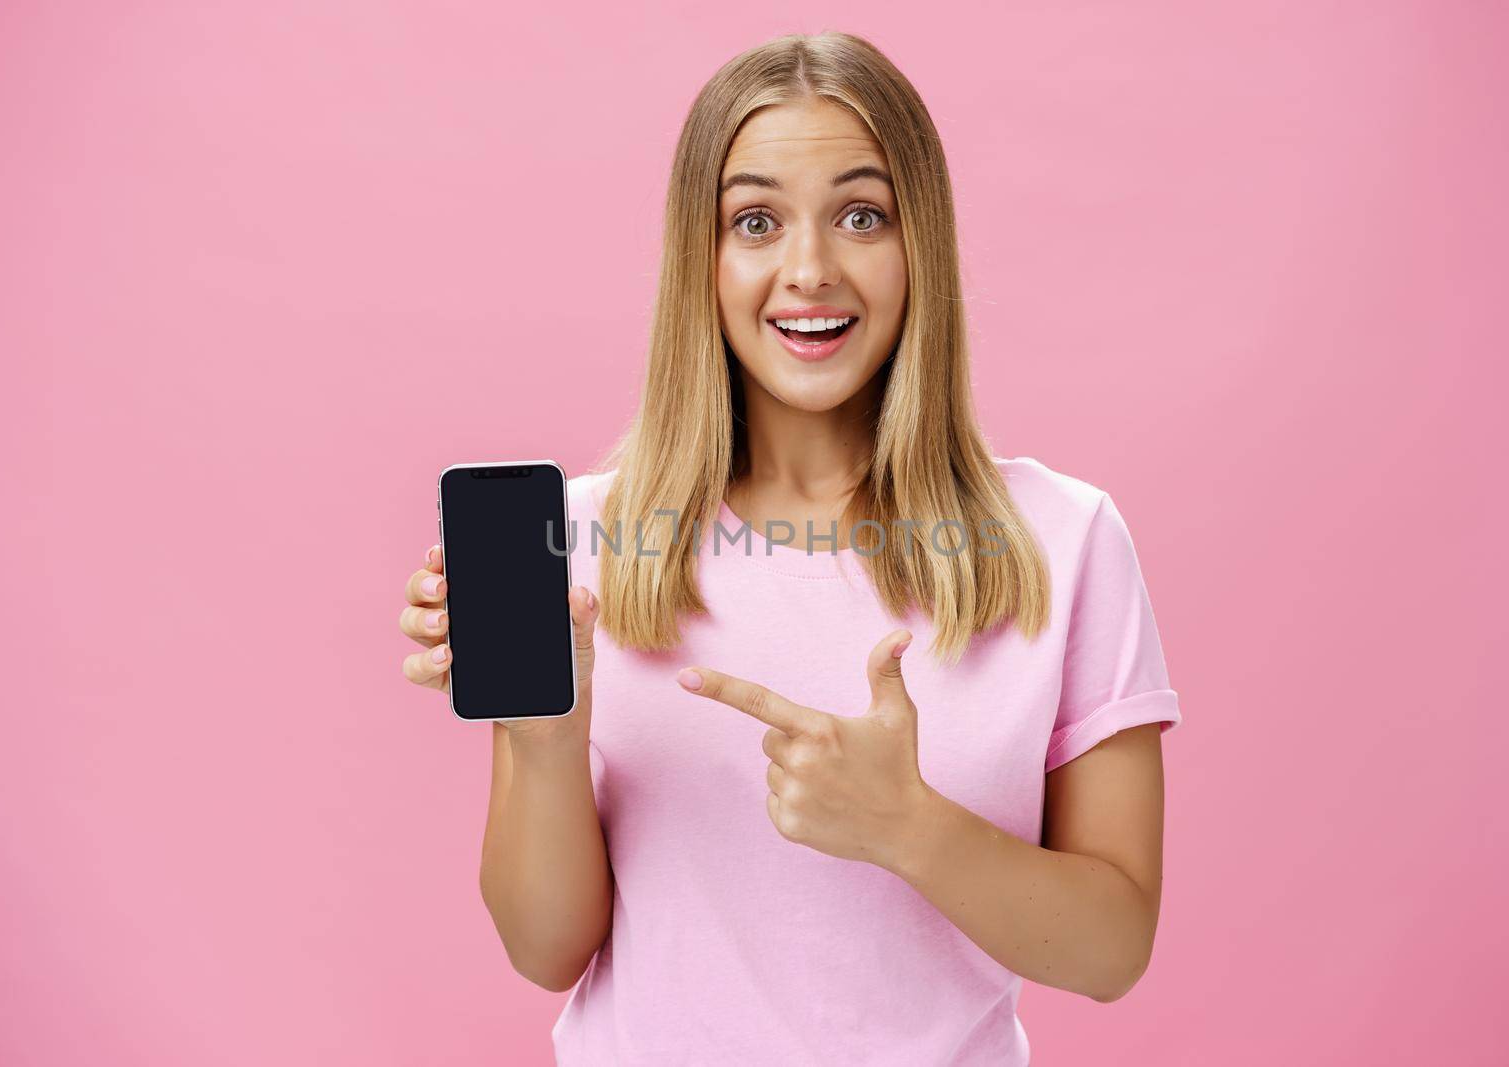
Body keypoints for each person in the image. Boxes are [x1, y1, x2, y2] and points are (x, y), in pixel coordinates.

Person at [400, 30, 1182, 1066]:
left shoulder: (1061, 540)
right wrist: (545, 737)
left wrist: (905, 824)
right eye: (755, 221)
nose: (808, 270)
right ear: (703, 256)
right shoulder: (582, 543)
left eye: (861, 215)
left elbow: (1111, 947)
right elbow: (546, 948)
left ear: (921, 245)